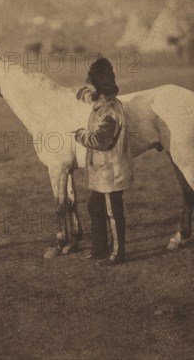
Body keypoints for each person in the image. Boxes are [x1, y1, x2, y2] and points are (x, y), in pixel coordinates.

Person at [73, 58, 133, 266]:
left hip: (111, 172)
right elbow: (82, 93)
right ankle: (99, 249)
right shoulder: (104, 103)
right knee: (94, 207)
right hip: (101, 171)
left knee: (113, 214)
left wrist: (80, 134)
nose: (88, 86)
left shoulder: (110, 110)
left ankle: (118, 253)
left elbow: (100, 141)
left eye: (91, 81)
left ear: (98, 84)